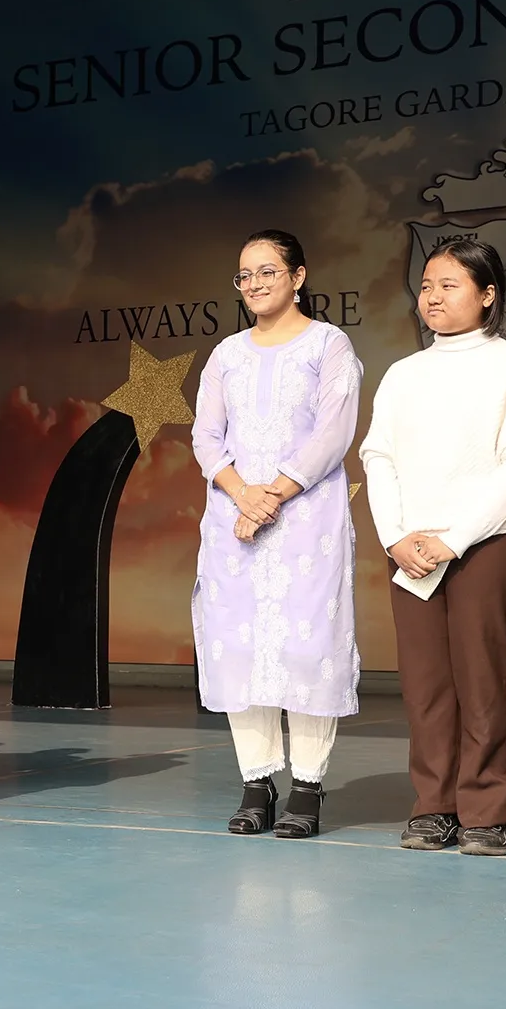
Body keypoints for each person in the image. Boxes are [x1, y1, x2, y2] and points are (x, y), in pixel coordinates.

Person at [361, 239, 506, 857]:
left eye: (449, 285)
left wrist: (454, 538)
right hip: (412, 549)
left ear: (488, 294)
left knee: (482, 679)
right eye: (426, 286)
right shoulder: (403, 373)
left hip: (485, 543)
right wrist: (395, 536)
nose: (433, 297)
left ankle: (487, 809)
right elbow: (378, 455)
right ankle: (434, 806)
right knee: (425, 685)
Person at [191, 231, 363, 839]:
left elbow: (334, 431)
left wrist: (273, 496)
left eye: (268, 271)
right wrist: (243, 494)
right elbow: (205, 436)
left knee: (305, 647)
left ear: (298, 276)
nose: (255, 284)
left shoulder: (328, 344)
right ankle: (256, 782)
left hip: (305, 519)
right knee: (241, 647)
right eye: (244, 275)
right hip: (233, 519)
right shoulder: (226, 354)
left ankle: (308, 787)